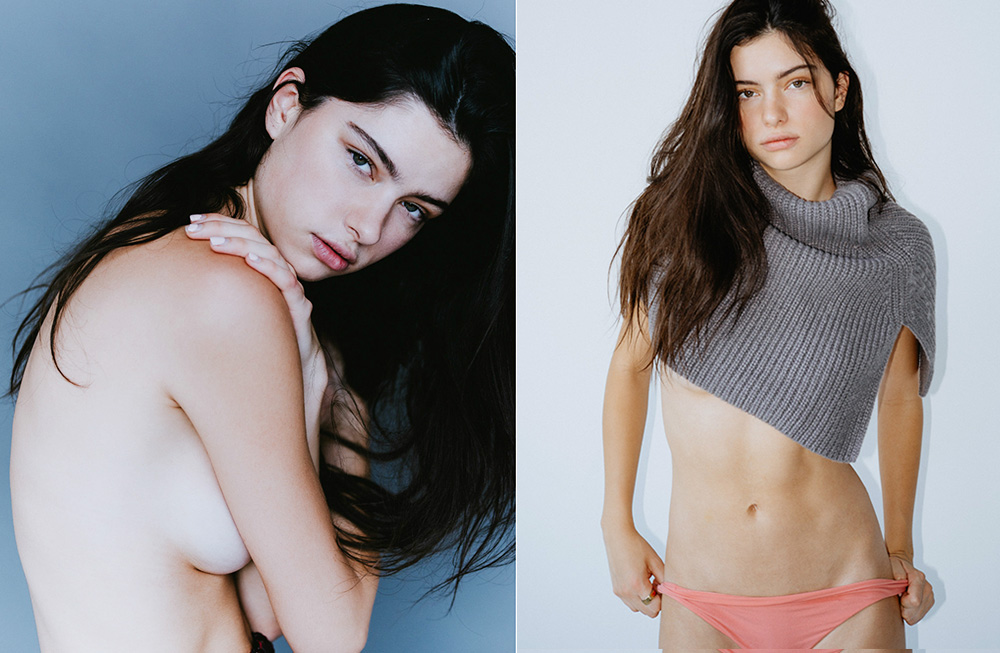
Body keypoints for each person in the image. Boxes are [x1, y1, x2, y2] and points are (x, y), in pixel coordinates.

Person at [8, 4, 513, 652]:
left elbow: (265, 606)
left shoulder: (179, 249)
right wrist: (341, 408)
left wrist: (313, 390)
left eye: (413, 209)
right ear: (286, 106)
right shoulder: (224, 295)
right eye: (361, 160)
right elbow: (332, 634)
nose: (368, 226)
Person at [601, 0, 935, 648]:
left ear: (839, 88)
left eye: (796, 82)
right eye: (749, 92)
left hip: (849, 592)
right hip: (701, 596)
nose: (772, 114)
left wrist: (900, 543)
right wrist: (617, 520)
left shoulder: (896, 246)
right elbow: (628, 366)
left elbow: (899, 397)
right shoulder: (685, 218)